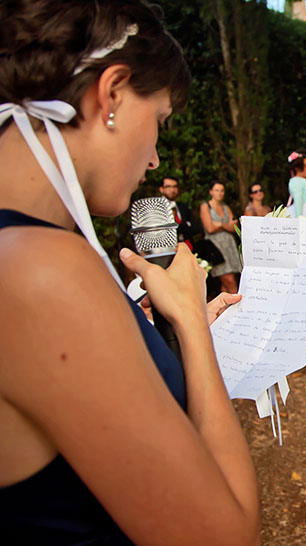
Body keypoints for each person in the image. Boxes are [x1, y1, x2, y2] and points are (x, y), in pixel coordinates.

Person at [0, 2, 259, 544]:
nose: (156, 159)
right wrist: (190, 320)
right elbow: (224, 536)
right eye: (160, 122)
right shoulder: (43, 271)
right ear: (111, 93)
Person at [200, 181, 242, 294]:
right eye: (216, 190)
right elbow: (209, 228)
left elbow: (235, 227)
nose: (219, 193)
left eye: (222, 190)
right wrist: (226, 225)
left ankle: (223, 310)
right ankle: (238, 305)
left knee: (226, 283)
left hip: (229, 246)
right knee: (229, 280)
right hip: (216, 247)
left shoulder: (226, 207)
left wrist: (220, 224)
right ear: (211, 192)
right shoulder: (205, 206)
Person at [159, 177, 197, 250]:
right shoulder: (157, 208)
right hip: (167, 250)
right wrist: (185, 226)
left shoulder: (183, 207)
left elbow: (195, 228)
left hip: (187, 247)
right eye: (168, 187)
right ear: (161, 189)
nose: (172, 190)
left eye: (175, 186)